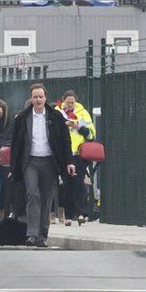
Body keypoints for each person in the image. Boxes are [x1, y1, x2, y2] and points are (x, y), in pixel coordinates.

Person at [10, 84, 75, 248]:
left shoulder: (55, 116)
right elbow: (16, 144)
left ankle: (42, 236)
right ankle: (31, 234)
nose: (38, 99)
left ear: (45, 98)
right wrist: (14, 167)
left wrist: (69, 162)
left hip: (50, 162)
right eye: (35, 97)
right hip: (30, 161)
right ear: (31, 99)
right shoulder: (23, 118)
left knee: (47, 199)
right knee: (32, 194)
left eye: (40, 96)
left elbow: (65, 140)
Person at [56, 90, 96, 226]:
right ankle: (68, 215)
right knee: (67, 185)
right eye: (68, 103)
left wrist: (78, 127)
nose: (70, 105)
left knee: (79, 184)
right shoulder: (57, 113)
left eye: (73, 102)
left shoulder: (83, 113)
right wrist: (64, 125)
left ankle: (81, 213)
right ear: (63, 102)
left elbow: (91, 135)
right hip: (64, 155)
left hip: (79, 155)